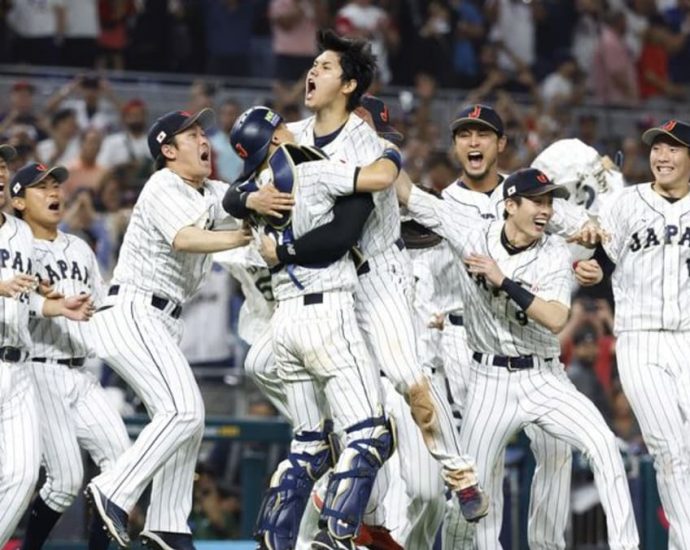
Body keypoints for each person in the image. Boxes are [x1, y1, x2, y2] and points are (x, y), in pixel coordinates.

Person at [234, 29, 489, 544]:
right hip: (319, 288)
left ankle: (458, 473)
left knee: (410, 381)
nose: (313, 72)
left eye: (326, 67)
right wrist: (247, 202)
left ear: (348, 85)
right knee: (288, 379)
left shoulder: (370, 147)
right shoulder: (293, 133)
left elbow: (365, 210)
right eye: (315, 64)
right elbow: (244, 183)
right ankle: (348, 512)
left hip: (376, 278)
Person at [396, 166, 640, 550]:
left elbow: (558, 318)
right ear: (510, 205)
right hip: (489, 381)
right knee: (471, 497)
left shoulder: (554, 254)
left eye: (549, 202)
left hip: (544, 378)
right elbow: (409, 193)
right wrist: (374, 149)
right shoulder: (472, 233)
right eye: (537, 202)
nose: (546, 211)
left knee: (604, 446)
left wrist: (503, 281)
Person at [229, 104, 407, 550]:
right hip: (327, 312)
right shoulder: (313, 169)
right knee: (370, 434)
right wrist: (391, 153)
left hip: (285, 321)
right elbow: (378, 183)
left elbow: (231, 197)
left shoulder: (253, 190)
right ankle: (338, 534)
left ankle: (273, 535)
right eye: (281, 126)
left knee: (309, 443)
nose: (290, 128)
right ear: (273, 139)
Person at [84, 108, 251, 549]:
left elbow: (242, 202)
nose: (203, 140)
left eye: (203, 132)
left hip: (161, 320)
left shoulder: (210, 190)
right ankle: (113, 490)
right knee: (184, 410)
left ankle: (168, 525)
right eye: (191, 134)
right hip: (132, 309)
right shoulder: (162, 184)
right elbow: (186, 237)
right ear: (168, 150)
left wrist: (264, 198)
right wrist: (239, 236)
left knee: (188, 422)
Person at [437, 104, 599, 549]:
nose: (474, 142)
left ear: (500, 144)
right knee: (474, 477)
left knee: (555, 449)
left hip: (529, 336)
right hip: (462, 340)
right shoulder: (444, 204)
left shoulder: (527, 194)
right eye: (465, 134)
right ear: (455, 145)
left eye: (483, 134)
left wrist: (592, 262)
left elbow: (585, 232)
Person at [11, 162, 130, 550]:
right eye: (40, 188)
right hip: (38, 369)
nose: (53, 193)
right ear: (18, 202)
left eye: (55, 185)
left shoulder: (78, 245)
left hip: (82, 372)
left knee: (123, 467)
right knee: (63, 482)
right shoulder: (16, 247)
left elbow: (101, 302)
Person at [597, 119, 690, 549]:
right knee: (669, 448)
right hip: (640, 338)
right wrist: (588, 265)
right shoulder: (624, 203)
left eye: (673, 148)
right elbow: (591, 255)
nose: (662, 156)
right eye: (657, 148)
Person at [0, 153, 95, 546]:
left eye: (2, 166)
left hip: (18, 366)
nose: (1, 171)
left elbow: (26, 297)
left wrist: (56, 306)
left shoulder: (21, 233)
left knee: (22, 477)